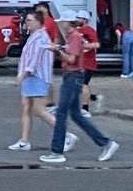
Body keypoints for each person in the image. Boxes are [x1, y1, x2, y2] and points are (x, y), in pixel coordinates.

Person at [40, 16, 120, 164]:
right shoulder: (74, 36)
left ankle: (57, 151)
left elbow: (71, 59)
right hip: (73, 77)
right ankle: (105, 143)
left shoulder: (75, 37)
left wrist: (58, 50)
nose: (61, 24)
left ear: (68, 23)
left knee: (62, 114)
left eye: (63, 21)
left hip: (72, 76)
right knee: (76, 115)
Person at [9, 10, 77, 153]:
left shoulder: (40, 37)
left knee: (39, 110)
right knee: (26, 107)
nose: (27, 23)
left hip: (37, 77)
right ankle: (24, 141)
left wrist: (22, 75)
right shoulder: (35, 36)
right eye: (26, 20)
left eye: (29, 20)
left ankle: (67, 135)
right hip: (31, 78)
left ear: (38, 22)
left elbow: (34, 59)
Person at [74, 10, 103, 118]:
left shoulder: (89, 31)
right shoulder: (76, 31)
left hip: (88, 63)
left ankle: (85, 108)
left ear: (85, 20)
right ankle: (94, 97)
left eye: (79, 18)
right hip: (79, 62)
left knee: (83, 84)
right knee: (79, 85)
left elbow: (96, 44)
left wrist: (84, 46)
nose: (77, 20)